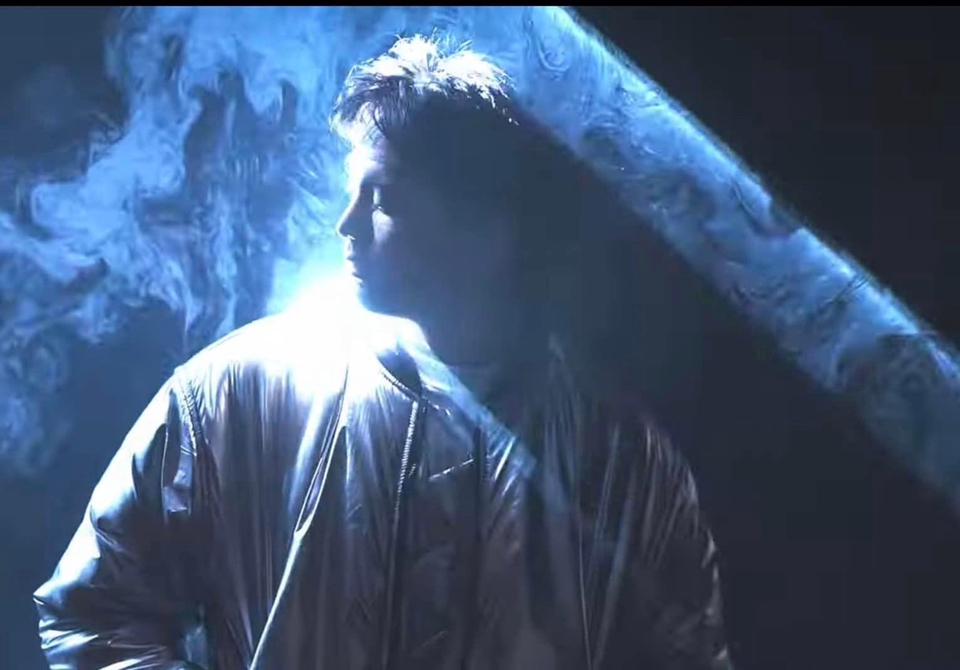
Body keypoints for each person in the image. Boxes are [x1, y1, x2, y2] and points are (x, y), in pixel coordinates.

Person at [35, 35, 733, 669]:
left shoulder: (624, 460)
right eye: (352, 192)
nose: (346, 223)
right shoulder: (235, 394)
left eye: (383, 197)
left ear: (490, 226)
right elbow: (92, 613)